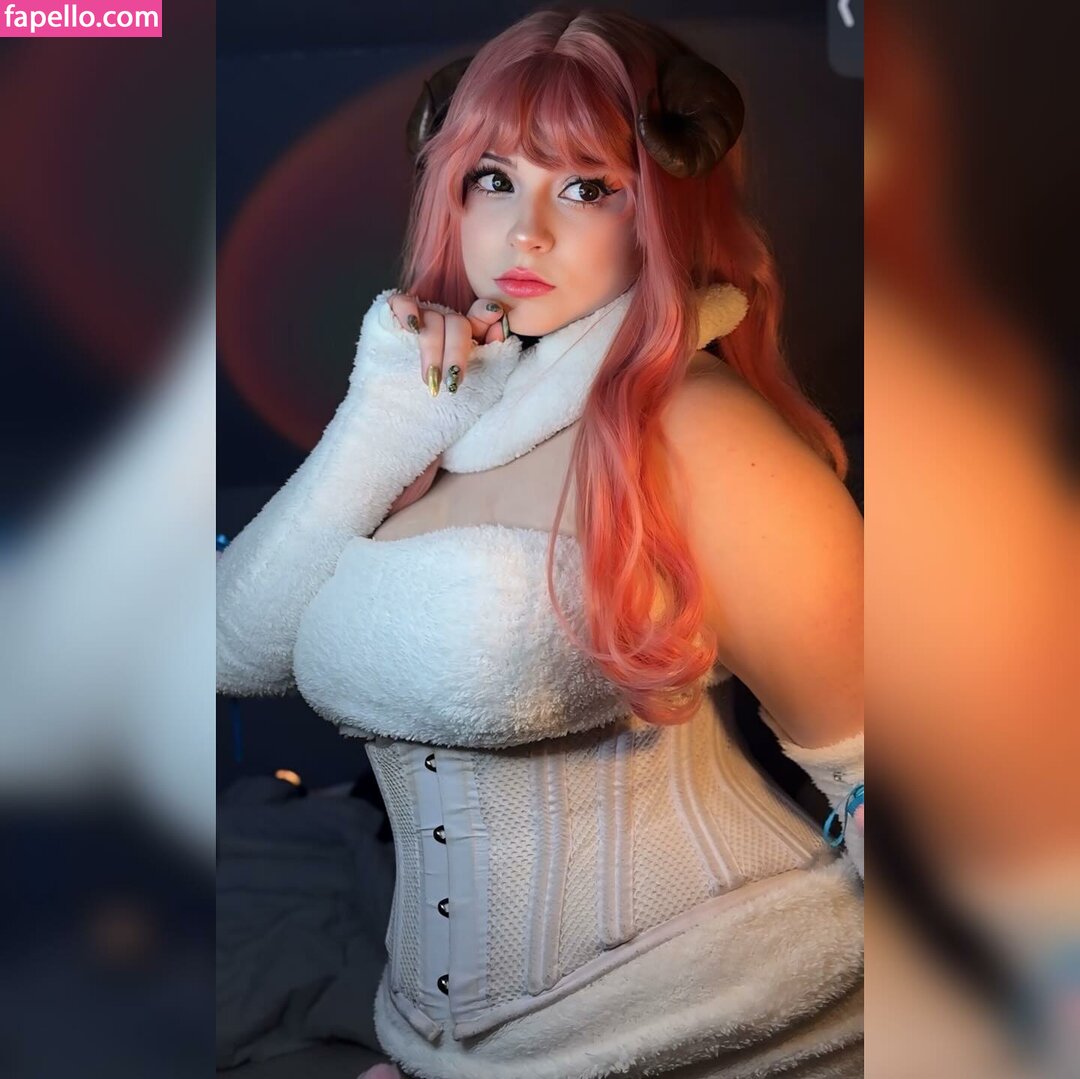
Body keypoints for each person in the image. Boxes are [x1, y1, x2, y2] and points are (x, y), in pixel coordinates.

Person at [217, 8, 865, 1077]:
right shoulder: (440, 410)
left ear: (662, 210)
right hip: (435, 1037)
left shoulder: (699, 431)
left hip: (718, 1017)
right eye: (494, 178)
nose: (525, 234)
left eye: (586, 188)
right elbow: (234, 649)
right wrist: (382, 415)